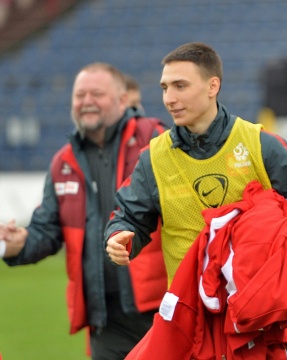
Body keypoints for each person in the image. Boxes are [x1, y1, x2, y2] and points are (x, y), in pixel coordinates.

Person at [104, 42, 287, 360]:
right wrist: (119, 236)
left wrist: (273, 264)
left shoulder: (260, 144)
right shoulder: (153, 158)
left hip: (267, 320)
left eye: (180, 86)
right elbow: (127, 215)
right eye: (165, 87)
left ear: (213, 86)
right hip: (195, 323)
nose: (169, 98)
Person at [0, 62, 168, 359]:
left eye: (97, 94)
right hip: (103, 321)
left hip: (160, 315)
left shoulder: (157, 142)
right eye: (80, 95)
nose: (86, 101)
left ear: (122, 100)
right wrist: (18, 244)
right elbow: (47, 230)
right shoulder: (63, 162)